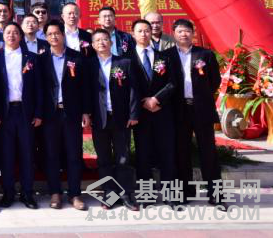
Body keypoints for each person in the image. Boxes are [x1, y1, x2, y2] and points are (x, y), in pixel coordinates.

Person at [163, 19, 226, 210]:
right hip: (179, 110)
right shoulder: (166, 56)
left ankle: (216, 194)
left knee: (208, 152)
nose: (184, 34)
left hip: (201, 109)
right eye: (180, 31)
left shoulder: (205, 54)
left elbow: (214, 81)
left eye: (187, 31)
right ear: (173, 34)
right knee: (181, 152)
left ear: (193, 33)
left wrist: (201, 95)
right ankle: (185, 192)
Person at [40, 20, 90, 211]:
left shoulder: (76, 57)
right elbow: (38, 89)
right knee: (52, 155)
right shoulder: (41, 60)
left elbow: (85, 87)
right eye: (50, 34)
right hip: (50, 115)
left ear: (63, 35)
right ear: (46, 37)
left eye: (57, 33)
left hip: (72, 113)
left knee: (74, 154)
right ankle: (55, 193)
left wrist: (86, 111)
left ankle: (75, 194)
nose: (54, 36)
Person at [87, 29, 139, 211]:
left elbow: (133, 90)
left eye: (105, 39)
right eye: (97, 40)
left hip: (121, 117)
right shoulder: (89, 65)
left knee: (123, 158)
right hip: (99, 118)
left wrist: (133, 114)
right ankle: (109, 194)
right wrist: (86, 113)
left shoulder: (124, 63)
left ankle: (126, 195)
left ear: (110, 42)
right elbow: (85, 92)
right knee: (104, 159)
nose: (101, 43)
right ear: (93, 45)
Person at [128, 19, 178, 209]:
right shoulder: (126, 58)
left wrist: (156, 99)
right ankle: (146, 195)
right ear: (133, 34)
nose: (144, 34)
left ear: (152, 33)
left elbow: (172, 82)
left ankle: (170, 194)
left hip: (162, 111)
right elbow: (128, 86)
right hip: (140, 114)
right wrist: (144, 101)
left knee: (167, 153)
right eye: (140, 31)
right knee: (143, 155)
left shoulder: (163, 57)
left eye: (147, 30)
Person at [0, 22, 41, 210]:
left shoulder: (32, 58)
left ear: (21, 36)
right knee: (6, 154)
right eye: (8, 32)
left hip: (25, 112)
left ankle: (27, 193)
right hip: (5, 113)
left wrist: (38, 112)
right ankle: (8, 193)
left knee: (27, 153)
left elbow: (39, 87)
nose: (11, 35)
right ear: (3, 36)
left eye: (15, 32)